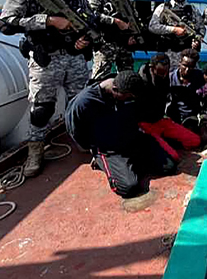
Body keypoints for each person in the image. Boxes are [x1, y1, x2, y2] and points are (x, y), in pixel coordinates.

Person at [0, 0, 106, 177]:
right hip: (46, 59)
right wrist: (47, 21)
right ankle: (35, 152)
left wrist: (83, 41)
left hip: (74, 58)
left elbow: (90, 22)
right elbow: (6, 23)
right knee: (41, 109)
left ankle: (81, 140)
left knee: (78, 103)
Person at [65, 71, 176, 211]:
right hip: (111, 150)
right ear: (115, 90)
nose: (132, 99)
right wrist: (92, 148)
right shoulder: (84, 102)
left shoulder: (127, 86)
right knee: (129, 188)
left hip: (134, 139)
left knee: (169, 167)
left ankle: (128, 166)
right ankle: (103, 161)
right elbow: (75, 130)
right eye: (128, 97)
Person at [138, 53, 201, 159]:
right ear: (152, 68)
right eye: (161, 72)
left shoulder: (166, 77)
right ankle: (160, 143)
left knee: (195, 141)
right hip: (145, 125)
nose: (164, 75)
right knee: (173, 157)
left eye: (166, 72)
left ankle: (165, 141)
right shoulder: (140, 82)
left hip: (160, 121)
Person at [88, 0, 138, 80]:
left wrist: (133, 36)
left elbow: (134, 20)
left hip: (124, 45)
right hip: (105, 44)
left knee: (127, 79)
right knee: (99, 79)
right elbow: (91, 15)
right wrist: (114, 21)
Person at [149, 0, 205, 69]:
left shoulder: (192, 9)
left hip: (187, 56)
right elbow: (152, 26)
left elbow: (201, 28)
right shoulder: (163, 8)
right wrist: (173, 30)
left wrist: (197, 40)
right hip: (168, 53)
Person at [167, 48, 205, 134]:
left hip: (191, 117)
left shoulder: (200, 77)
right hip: (173, 116)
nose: (187, 70)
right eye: (185, 65)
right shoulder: (170, 78)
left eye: (191, 67)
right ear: (179, 63)